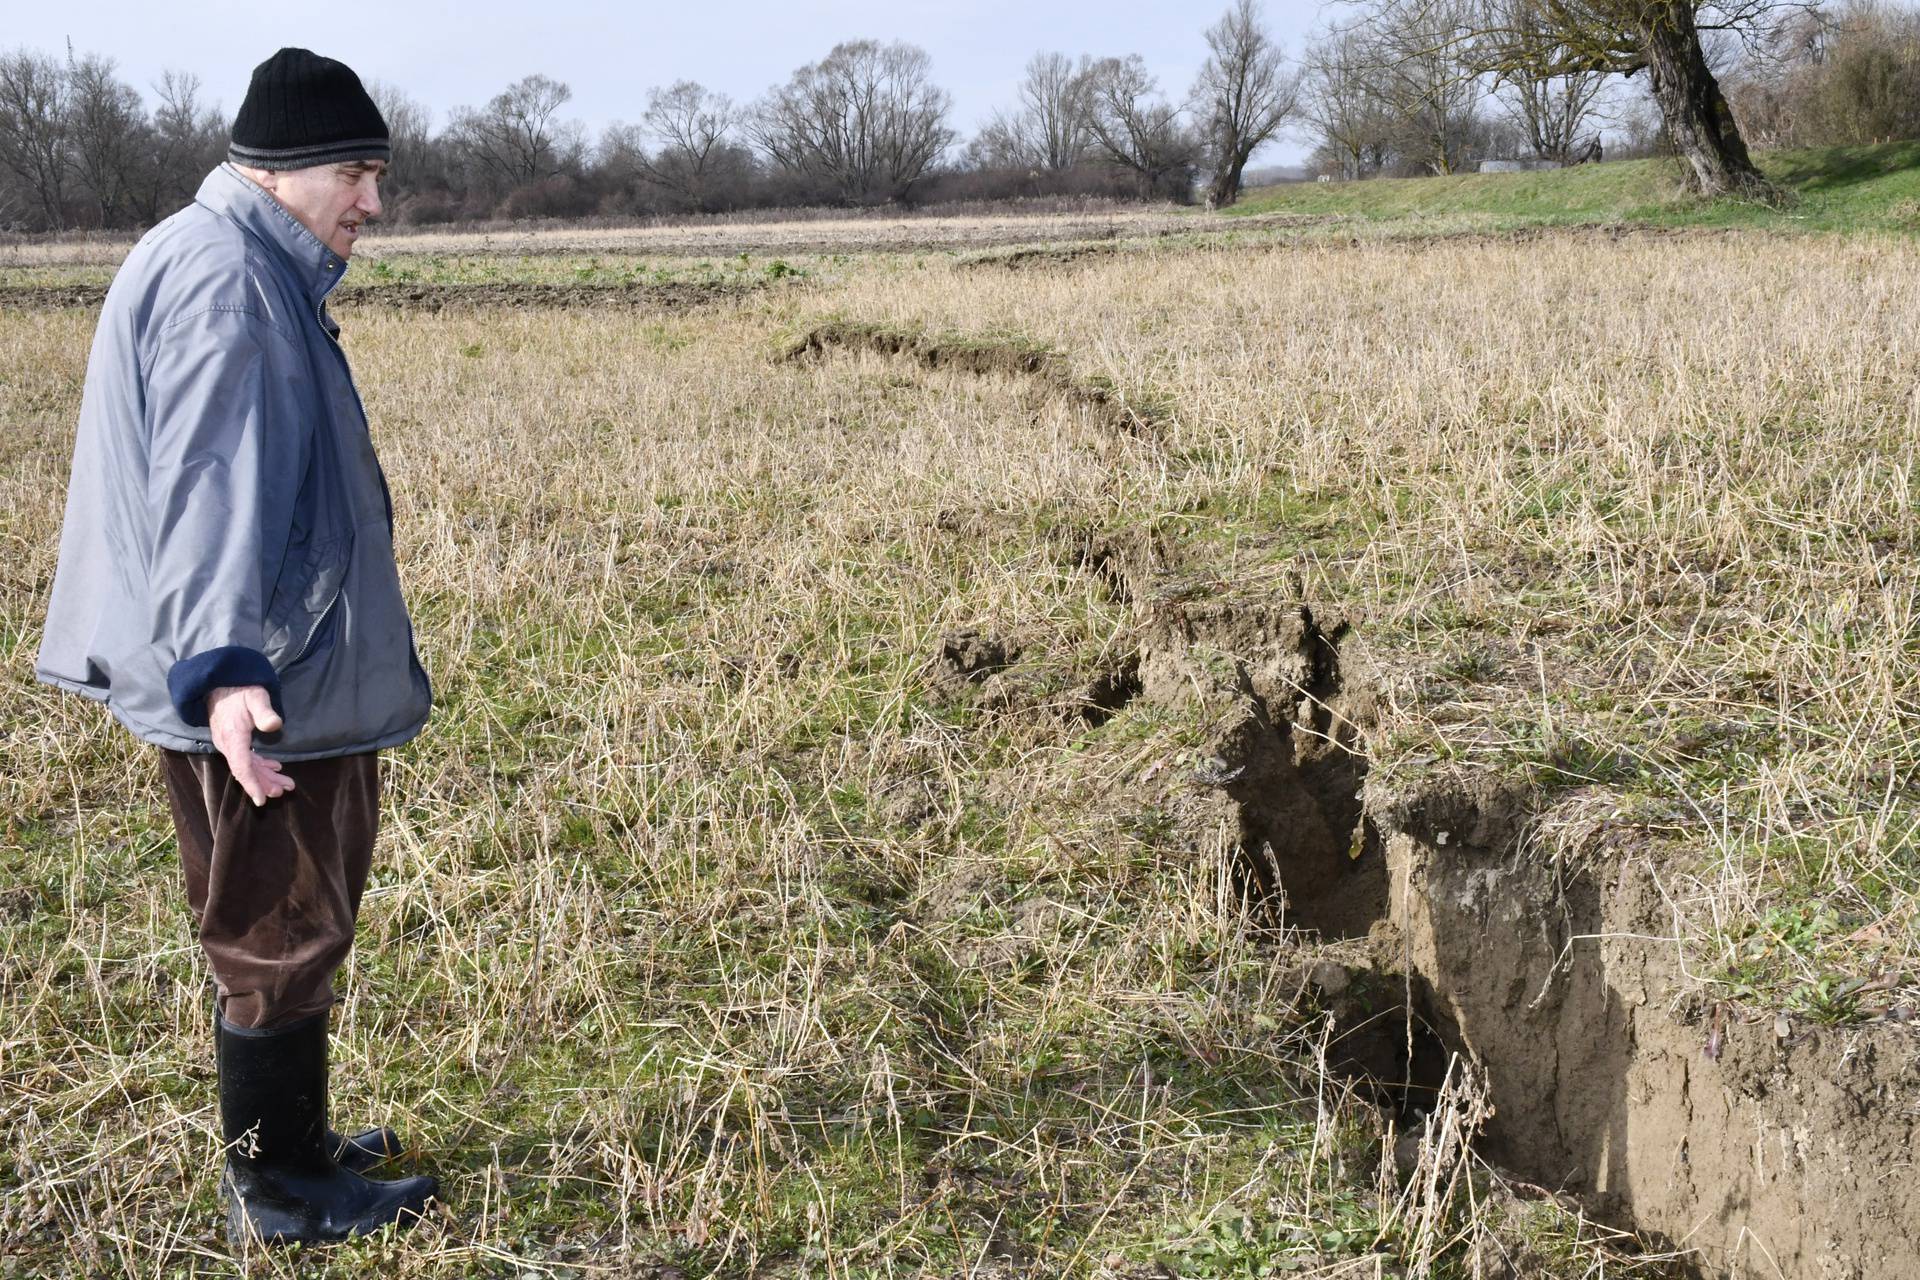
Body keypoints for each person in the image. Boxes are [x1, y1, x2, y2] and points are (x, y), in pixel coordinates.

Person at [36, 47, 439, 1245]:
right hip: (268, 680)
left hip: (259, 663)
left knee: (279, 922)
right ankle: (279, 1187)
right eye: (356, 174)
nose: (372, 202)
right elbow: (213, 491)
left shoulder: (216, 256)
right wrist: (227, 675)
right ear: (280, 173)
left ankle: (297, 1144)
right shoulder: (231, 285)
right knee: (279, 925)